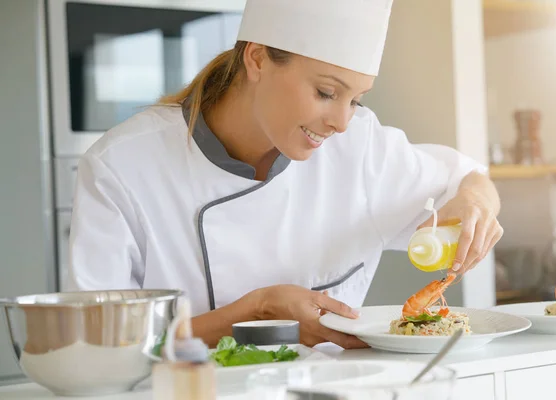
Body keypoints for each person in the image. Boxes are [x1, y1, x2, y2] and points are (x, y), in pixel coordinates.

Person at [68, 0, 502, 349]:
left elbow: (466, 178)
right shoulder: (122, 166)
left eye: (355, 99)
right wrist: (252, 313)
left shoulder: (359, 147)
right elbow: (98, 344)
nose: (342, 122)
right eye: (326, 92)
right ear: (257, 58)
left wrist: (477, 203)